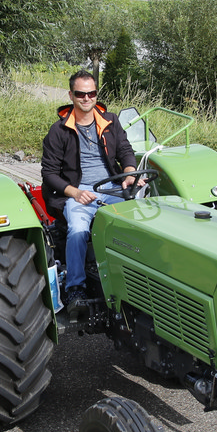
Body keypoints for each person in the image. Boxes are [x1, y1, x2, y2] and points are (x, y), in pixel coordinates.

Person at [40, 70, 137, 309]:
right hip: (78, 190)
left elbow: (125, 150)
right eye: (81, 94)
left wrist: (129, 172)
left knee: (137, 225)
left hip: (112, 187)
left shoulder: (110, 121)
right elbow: (49, 174)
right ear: (71, 95)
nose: (86, 98)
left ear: (96, 94)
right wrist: (74, 193)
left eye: (91, 93)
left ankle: (132, 281)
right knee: (78, 230)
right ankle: (75, 287)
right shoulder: (59, 131)